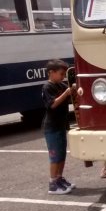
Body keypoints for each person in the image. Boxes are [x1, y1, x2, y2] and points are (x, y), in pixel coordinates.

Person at [42, 59, 75, 195]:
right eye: (61, 74)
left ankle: (59, 178)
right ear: (51, 73)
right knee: (55, 156)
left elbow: (69, 97)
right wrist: (66, 93)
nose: (63, 77)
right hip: (52, 127)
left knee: (61, 154)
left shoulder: (61, 85)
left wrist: (72, 90)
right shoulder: (47, 87)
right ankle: (53, 183)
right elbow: (52, 104)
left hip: (61, 125)